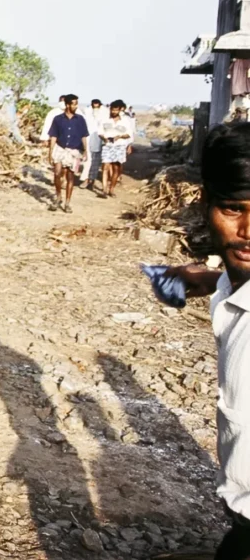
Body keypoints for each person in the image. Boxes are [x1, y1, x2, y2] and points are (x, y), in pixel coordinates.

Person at [162, 123, 250, 560]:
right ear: (206, 207)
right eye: (235, 209)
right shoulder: (235, 292)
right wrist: (212, 278)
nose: (249, 230)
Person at [47, 94, 89, 213]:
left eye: (77, 104)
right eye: (74, 104)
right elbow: (53, 136)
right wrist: (50, 152)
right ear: (67, 105)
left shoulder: (80, 119)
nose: (76, 106)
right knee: (57, 173)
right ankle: (58, 197)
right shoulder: (58, 119)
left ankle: (67, 203)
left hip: (75, 150)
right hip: (60, 149)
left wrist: (85, 150)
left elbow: (83, 136)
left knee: (70, 177)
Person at [99, 100, 134, 198]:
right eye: (112, 110)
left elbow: (129, 134)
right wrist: (104, 138)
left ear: (119, 110)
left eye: (115, 110)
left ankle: (112, 189)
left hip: (119, 146)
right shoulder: (105, 120)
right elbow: (100, 132)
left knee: (116, 169)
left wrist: (120, 136)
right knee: (105, 167)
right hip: (108, 146)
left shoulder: (125, 121)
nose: (113, 112)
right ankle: (104, 190)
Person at [82, 99, 107, 189]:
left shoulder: (104, 113)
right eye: (94, 105)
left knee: (95, 162)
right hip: (87, 139)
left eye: (97, 106)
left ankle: (92, 180)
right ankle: (85, 179)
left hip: (99, 140)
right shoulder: (87, 112)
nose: (95, 107)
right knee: (87, 161)